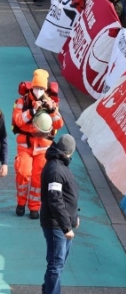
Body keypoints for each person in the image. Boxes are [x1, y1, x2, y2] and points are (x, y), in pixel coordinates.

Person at [13, 70, 64, 219]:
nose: (38, 91)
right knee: (23, 173)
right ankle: (21, 203)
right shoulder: (22, 102)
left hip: (43, 148)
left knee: (38, 179)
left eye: (42, 88)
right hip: (25, 146)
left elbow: (59, 123)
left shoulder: (52, 103)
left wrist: (53, 110)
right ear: (32, 87)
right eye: (36, 88)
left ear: (45, 89)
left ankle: (34, 207)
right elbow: (18, 120)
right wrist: (33, 110)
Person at [40, 134, 79, 294]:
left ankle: (48, 289)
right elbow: (55, 201)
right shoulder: (56, 170)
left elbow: (67, 196)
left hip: (62, 224)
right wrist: (65, 227)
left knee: (58, 263)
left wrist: (74, 217)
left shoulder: (59, 165)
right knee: (56, 264)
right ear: (69, 152)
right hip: (56, 225)